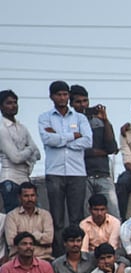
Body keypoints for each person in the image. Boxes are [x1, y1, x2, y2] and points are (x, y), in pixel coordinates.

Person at [38, 81, 92, 252]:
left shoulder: (80, 118)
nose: (62, 98)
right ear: (51, 96)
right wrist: (73, 136)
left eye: (65, 94)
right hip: (54, 171)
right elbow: (48, 140)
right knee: (57, 218)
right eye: (58, 94)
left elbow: (88, 141)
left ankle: (77, 252)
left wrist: (61, 139)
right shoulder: (45, 117)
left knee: (76, 216)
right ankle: (60, 254)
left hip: (77, 172)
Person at [69, 85, 120, 219]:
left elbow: (111, 148)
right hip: (82, 176)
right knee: (87, 218)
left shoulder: (99, 121)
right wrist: (97, 151)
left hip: (103, 174)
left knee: (113, 215)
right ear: (71, 104)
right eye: (78, 102)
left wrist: (105, 120)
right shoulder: (70, 123)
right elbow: (76, 149)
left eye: (85, 101)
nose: (83, 105)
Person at [0, 89, 40, 214]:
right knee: (12, 217)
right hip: (10, 178)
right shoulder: (2, 128)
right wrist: (28, 149)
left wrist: (26, 152)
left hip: (25, 178)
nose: (13, 106)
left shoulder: (22, 127)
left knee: (30, 216)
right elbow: (15, 158)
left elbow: (38, 153)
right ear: (1, 106)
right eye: (9, 103)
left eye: (15, 102)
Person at [5, 182, 53, 260]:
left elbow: (49, 239)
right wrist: (39, 238)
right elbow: (11, 241)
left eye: (32, 195)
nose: (30, 199)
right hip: (18, 260)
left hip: (43, 259)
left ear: (36, 196)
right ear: (19, 197)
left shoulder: (45, 215)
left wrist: (22, 238)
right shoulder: (11, 216)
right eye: (26, 196)